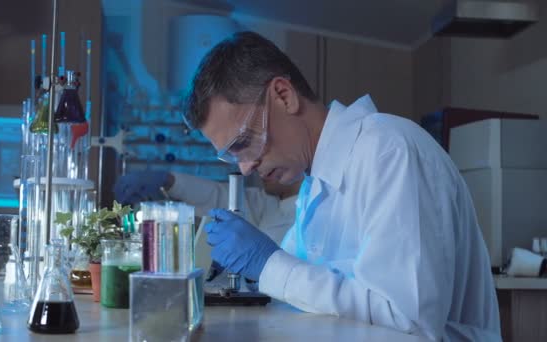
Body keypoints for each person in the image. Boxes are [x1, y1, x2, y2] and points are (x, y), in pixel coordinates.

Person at [181, 31, 501, 341]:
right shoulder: (316, 183)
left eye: (243, 142)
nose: (246, 166)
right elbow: (304, 288)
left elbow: (409, 323)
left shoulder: (389, 151)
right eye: (231, 156)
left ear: (283, 95)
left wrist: (267, 263)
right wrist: (250, 275)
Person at [114, 170, 299, 243]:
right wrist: (169, 181)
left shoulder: (304, 208)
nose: (253, 166)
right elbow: (222, 197)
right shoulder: (271, 201)